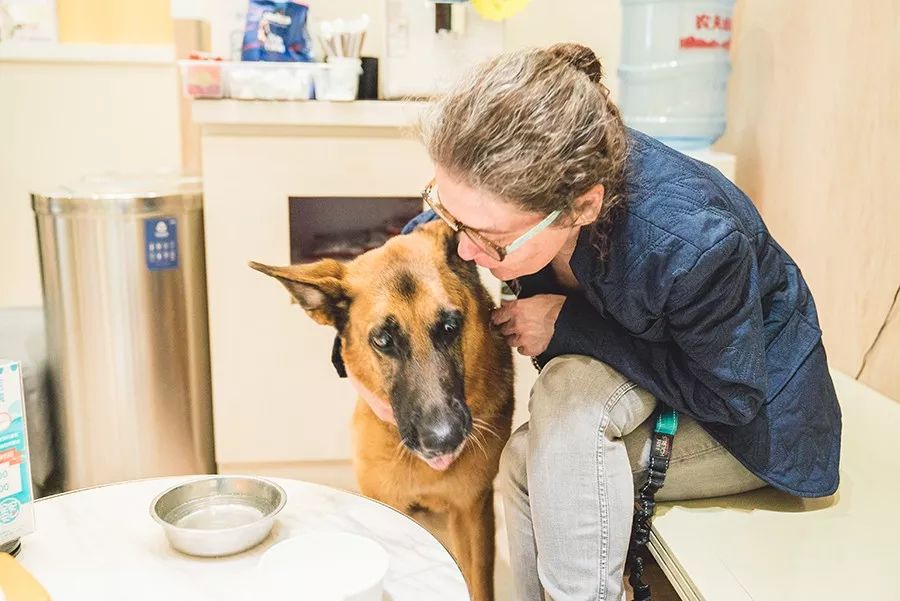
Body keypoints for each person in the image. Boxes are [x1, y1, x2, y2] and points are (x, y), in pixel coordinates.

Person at [338, 43, 842, 601]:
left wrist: (572, 328)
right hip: (662, 373)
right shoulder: (488, 199)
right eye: (448, 211)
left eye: (491, 241)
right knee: (531, 455)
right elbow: (410, 257)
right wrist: (356, 354)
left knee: (557, 429)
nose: (463, 248)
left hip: (749, 418)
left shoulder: (691, 244)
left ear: (582, 206)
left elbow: (732, 396)